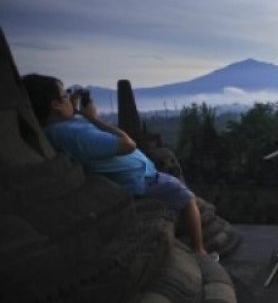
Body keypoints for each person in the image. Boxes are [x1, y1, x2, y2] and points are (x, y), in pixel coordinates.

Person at [22, 73, 218, 262]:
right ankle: (199, 251)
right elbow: (127, 145)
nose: (69, 100)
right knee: (187, 196)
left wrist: (81, 111)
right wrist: (94, 119)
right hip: (139, 182)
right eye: (65, 96)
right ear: (55, 104)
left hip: (140, 175)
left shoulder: (63, 127)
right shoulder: (71, 134)